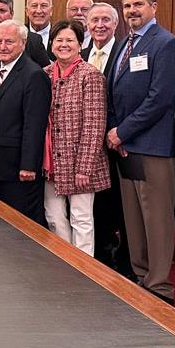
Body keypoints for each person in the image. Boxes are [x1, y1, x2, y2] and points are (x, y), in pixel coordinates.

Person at [106, 0, 175, 304]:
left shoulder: (166, 44)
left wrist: (122, 132)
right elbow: (113, 91)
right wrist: (114, 131)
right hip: (125, 146)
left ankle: (159, 287)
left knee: (156, 219)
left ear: (153, 6)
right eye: (126, 6)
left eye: (138, 4)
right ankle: (141, 277)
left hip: (152, 147)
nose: (132, 11)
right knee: (134, 219)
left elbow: (160, 99)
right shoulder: (125, 43)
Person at [42, 20, 109, 254]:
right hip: (51, 162)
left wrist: (84, 168)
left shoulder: (90, 75)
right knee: (54, 217)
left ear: (80, 44)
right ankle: (64, 264)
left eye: (70, 40)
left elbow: (94, 124)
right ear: (51, 45)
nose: (64, 45)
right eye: (59, 40)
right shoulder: (45, 74)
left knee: (81, 219)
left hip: (80, 163)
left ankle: (85, 271)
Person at [0, 19, 51, 224]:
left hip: (15, 168)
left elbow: (34, 125)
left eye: (9, 42)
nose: (2, 47)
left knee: (19, 224)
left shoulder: (34, 75)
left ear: (23, 44)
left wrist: (28, 165)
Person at [80, 2, 130, 275]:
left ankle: (118, 261)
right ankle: (97, 255)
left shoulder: (124, 52)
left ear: (115, 24)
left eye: (105, 20)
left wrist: (114, 131)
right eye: (94, 20)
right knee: (95, 206)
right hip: (88, 146)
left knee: (117, 208)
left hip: (114, 143)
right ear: (87, 25)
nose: (100, 25)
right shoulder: (81, 53)